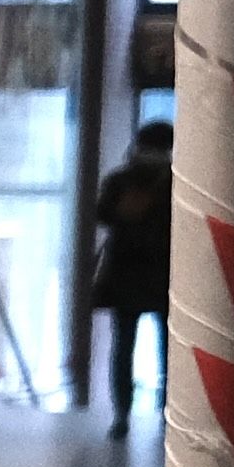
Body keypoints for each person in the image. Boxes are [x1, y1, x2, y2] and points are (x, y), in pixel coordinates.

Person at [88, 122, 173, 437]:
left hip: (125, 273)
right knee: (169, 351)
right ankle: (167, 414)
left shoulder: (120, 179)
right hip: (165, 275)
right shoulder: (175, 182)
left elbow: (102, 215)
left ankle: (122, 415)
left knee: (124, 346)